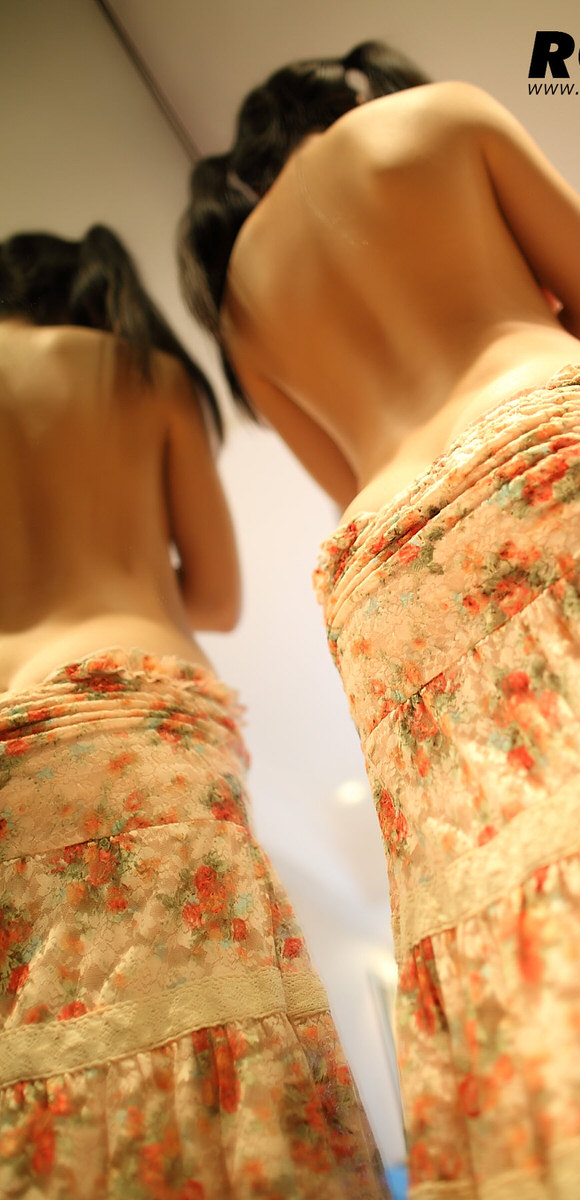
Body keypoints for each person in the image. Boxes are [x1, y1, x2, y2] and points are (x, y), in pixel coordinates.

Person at [179, 40, 580, 1199]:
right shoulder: (435, 118)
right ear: (345, 93)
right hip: (554, 439)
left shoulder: (242, 298)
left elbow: (340, 478)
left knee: (510, 880)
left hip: (392, 561)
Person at [0, 226, 388, 1198]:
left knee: (41, 1043)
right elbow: (215, 597)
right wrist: (121, 556)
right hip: (136, 709)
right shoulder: (140, 373)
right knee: (209, 1018)